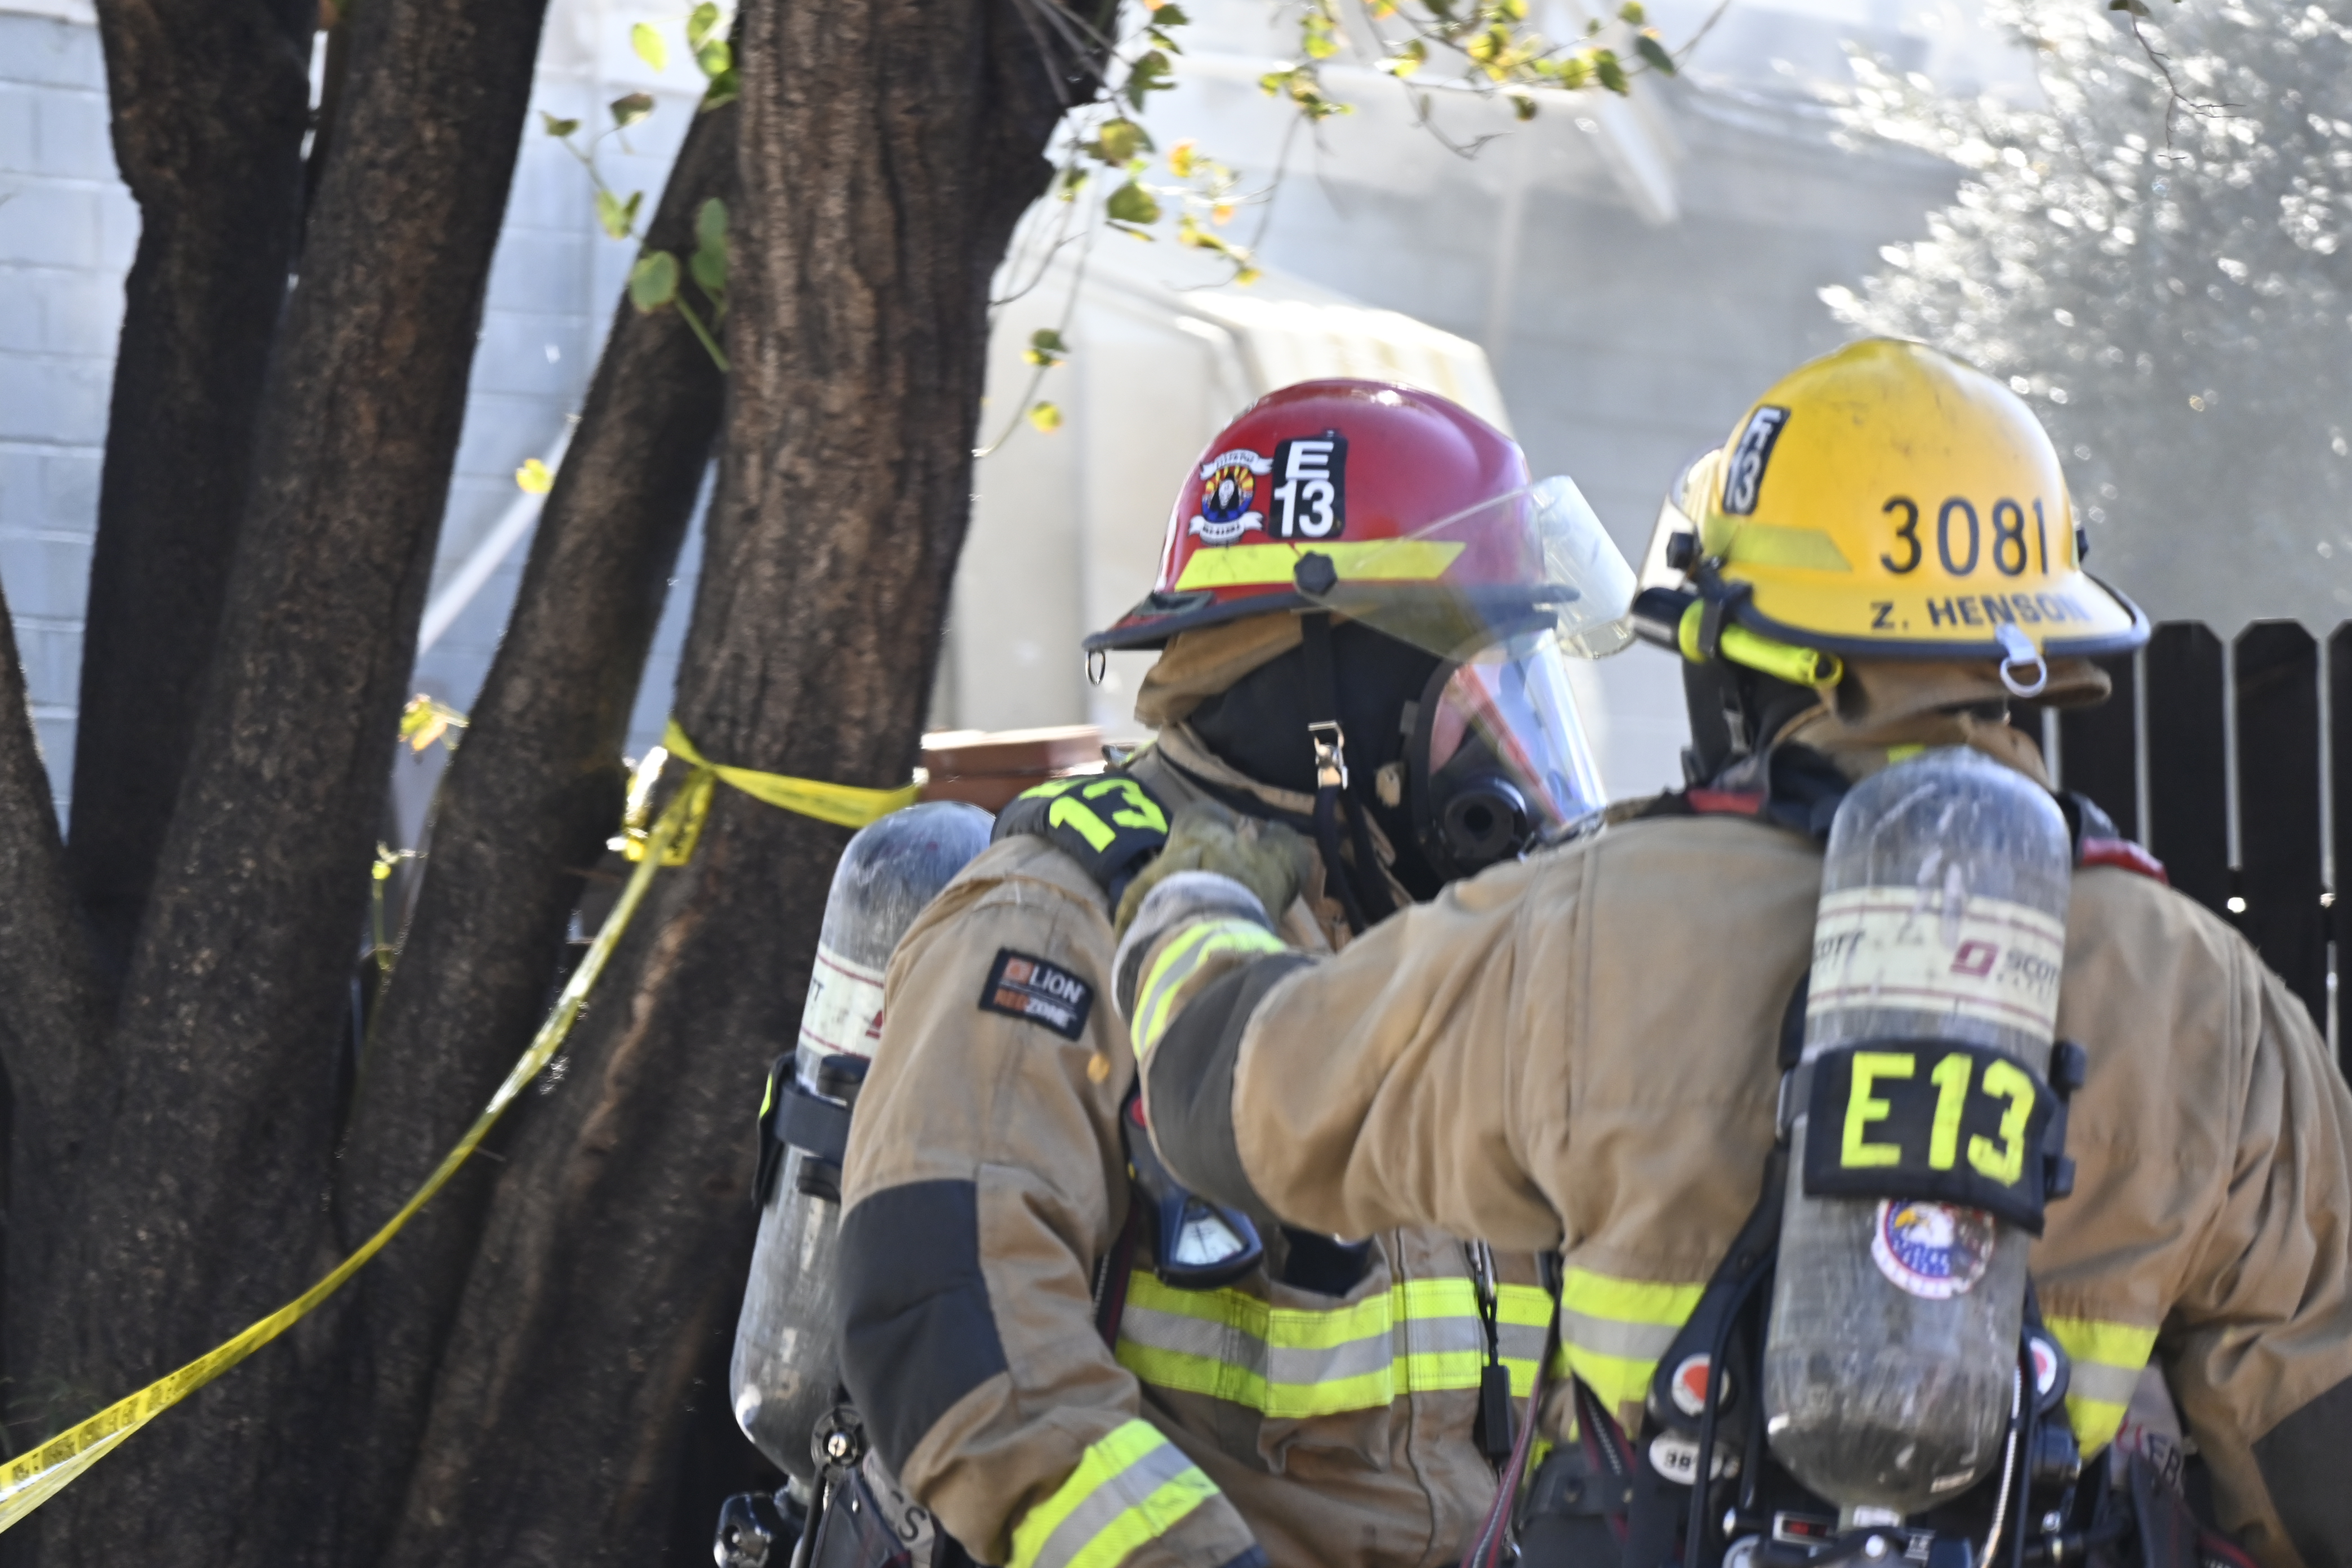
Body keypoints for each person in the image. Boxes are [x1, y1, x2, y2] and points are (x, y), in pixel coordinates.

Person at [1115, 340, 2352, 1568]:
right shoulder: (2208, 1001)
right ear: (2033, 644)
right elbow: (2319, 1472)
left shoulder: (1589, 925)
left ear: (1744, 651)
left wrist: (1195, 899)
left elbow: (1232, 1105)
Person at [831, 380, 1634, 1568]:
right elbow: (948, 1323)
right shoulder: (1054, 924)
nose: (1509, 745)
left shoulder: (1434, 938)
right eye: (1482, 686)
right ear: (1341, 693)